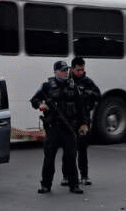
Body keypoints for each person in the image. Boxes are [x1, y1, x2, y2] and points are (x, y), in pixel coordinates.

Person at [30, 60, 90, 194]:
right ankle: (46, 185)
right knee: (49, 157)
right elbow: (34, 100)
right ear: (55, 72)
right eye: (63, 71)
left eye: (67, 70)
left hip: (69, 128)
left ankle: (74, 185)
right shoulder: (47, 86)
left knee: (71, 157)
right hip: (54, 128)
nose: (66, 73)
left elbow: (81, 107)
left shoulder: (73, 86)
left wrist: (84, 124)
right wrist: (40, 104)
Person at [67, 56, 101, 187]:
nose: (81, 72)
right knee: (68, 150)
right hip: (69, 119)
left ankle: (84, 176)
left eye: (82, 69)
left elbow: (98, 95)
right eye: (78, 70)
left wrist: (86, 92)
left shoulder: (87, 82)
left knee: (82, 149)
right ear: (72, 69)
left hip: (84, 119)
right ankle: (67, 176)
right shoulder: (67, 81)